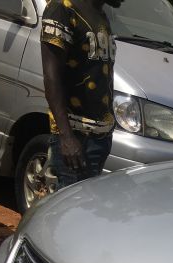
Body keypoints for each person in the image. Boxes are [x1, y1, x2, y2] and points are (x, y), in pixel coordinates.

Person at [41, 0, 124, 192]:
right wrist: (67, 137)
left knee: (86, 211)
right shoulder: (61, 9)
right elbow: (51, 78)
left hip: (100, 139)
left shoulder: (100, 15)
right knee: (69, 212)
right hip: (76, 137)